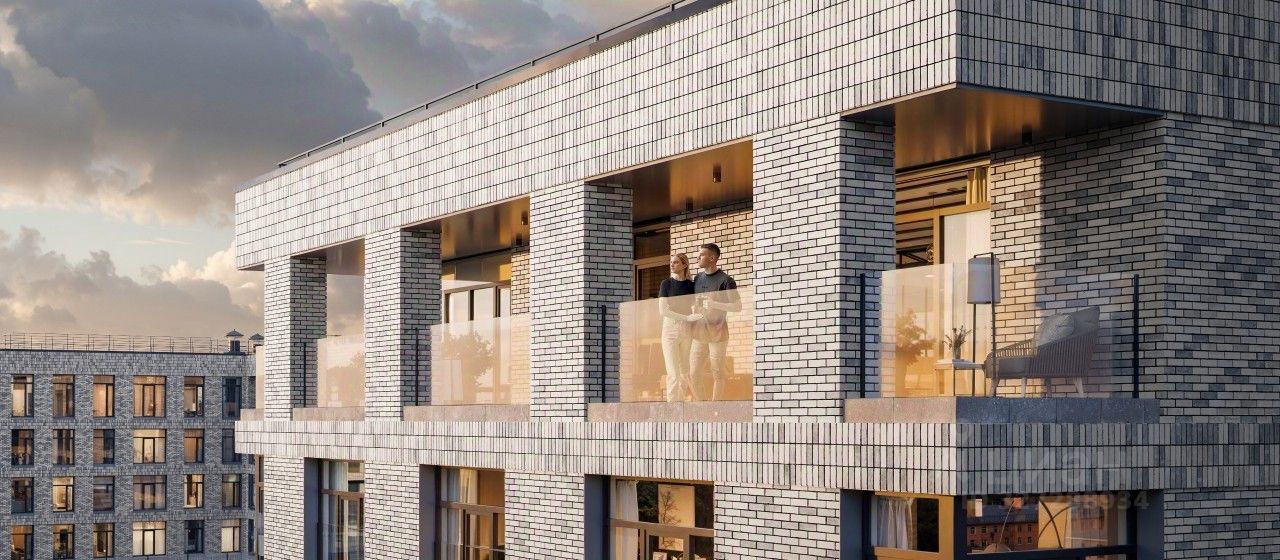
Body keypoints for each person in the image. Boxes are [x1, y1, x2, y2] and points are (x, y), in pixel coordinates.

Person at [688, 243, 740, 400]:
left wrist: (714, 304)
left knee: (717, 372)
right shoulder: (698, 278)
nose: (698, 257)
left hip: (718, 334)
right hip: (699, 333)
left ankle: (715, 406)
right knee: (693, 373)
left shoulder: (726, 280)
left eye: (701, 255)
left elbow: (737, 306)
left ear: (712, 258)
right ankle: (702, 405)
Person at [658, 253, 696, 401]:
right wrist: (686, 317)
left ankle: (679, 404)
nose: (672, 265)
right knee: (673, 373)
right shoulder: (666, 284)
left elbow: (696, 306)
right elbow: (663, 311)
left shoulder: (691, 285)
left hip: (687, 329)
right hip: (670, 328)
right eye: (671, 262)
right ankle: (672, 407)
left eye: (676, 262)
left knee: (685, 372)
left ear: (684, 265)